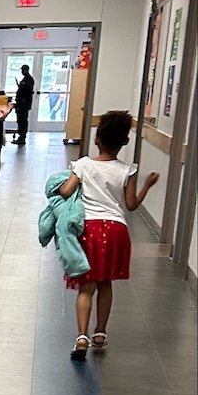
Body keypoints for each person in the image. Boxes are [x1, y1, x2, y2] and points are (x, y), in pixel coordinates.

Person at [57, 110, 158, 360]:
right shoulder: (128, 170)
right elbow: (131, 204)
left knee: (86, 285)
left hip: (89, 228)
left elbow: (66, 192)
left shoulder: (83, 164)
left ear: (96, 139)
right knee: (105, 283)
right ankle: (99, 332)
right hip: (116, 230)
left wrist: (59, 184)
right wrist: (147, 185)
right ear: (124, 142)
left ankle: (81, 336)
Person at [13, 64, 35, 146]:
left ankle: (22, 137)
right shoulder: (25, 79)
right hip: (20, 104)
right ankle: (20, 136)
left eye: (23, 70)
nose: (22, 71)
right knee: (20, 120)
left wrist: (21, 86)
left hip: (24, 104)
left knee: (23, 120)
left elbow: (27, 91)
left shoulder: (29, 79)